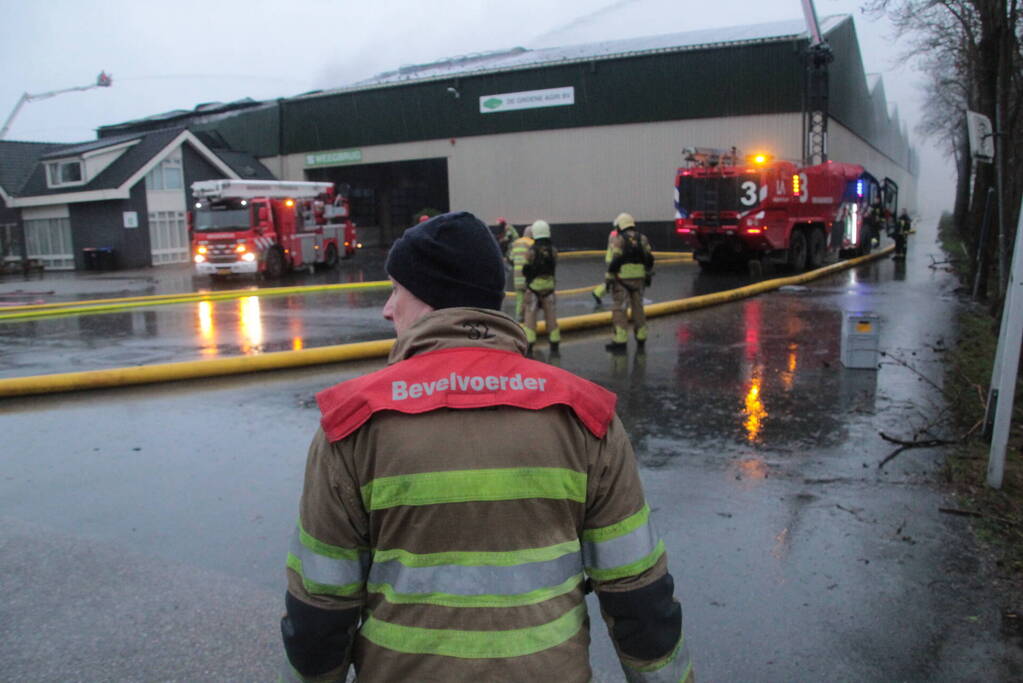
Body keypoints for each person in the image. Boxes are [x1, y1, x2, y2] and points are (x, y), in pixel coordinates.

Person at [280, 211, 692, 683]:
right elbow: (641, 600)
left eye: (397, 290)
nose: (387, 308)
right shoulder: (585, 416)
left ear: (430, 297)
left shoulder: (353, 422)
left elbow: (319, 616)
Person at [606, 212, 654, 352]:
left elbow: (615, 259)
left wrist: (610, 277)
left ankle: (620, 340)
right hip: (639, 279)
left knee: (619, 308)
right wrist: (647, 274)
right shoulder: (642, 238)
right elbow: (649, 258)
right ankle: (641, 336)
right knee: (638, 308)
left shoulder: (619, 239)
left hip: (622, 280)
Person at [522, 219, 561, 354]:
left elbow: (526, 269)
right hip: (549, 289)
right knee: (551, 316)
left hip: (533, 289)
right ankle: (554, 343)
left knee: (530, 317)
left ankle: (530, 344)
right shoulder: (553, 250)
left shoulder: (531, 251)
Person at [509, 225, 534, 322]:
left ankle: (518, 319)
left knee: (519, 297)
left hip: (517, 276)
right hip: (528, 276)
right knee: (529, 298)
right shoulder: (532, 243)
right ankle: (528, 319)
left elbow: (511, 258)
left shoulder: (516, 243)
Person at [591, 222, 620, 304]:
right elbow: (615, 248)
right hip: (613, 259)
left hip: (611, 259)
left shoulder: (614, 234)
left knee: (613, 279)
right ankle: (598, 293)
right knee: (615, 278)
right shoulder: (615, 234)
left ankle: (598, 293)